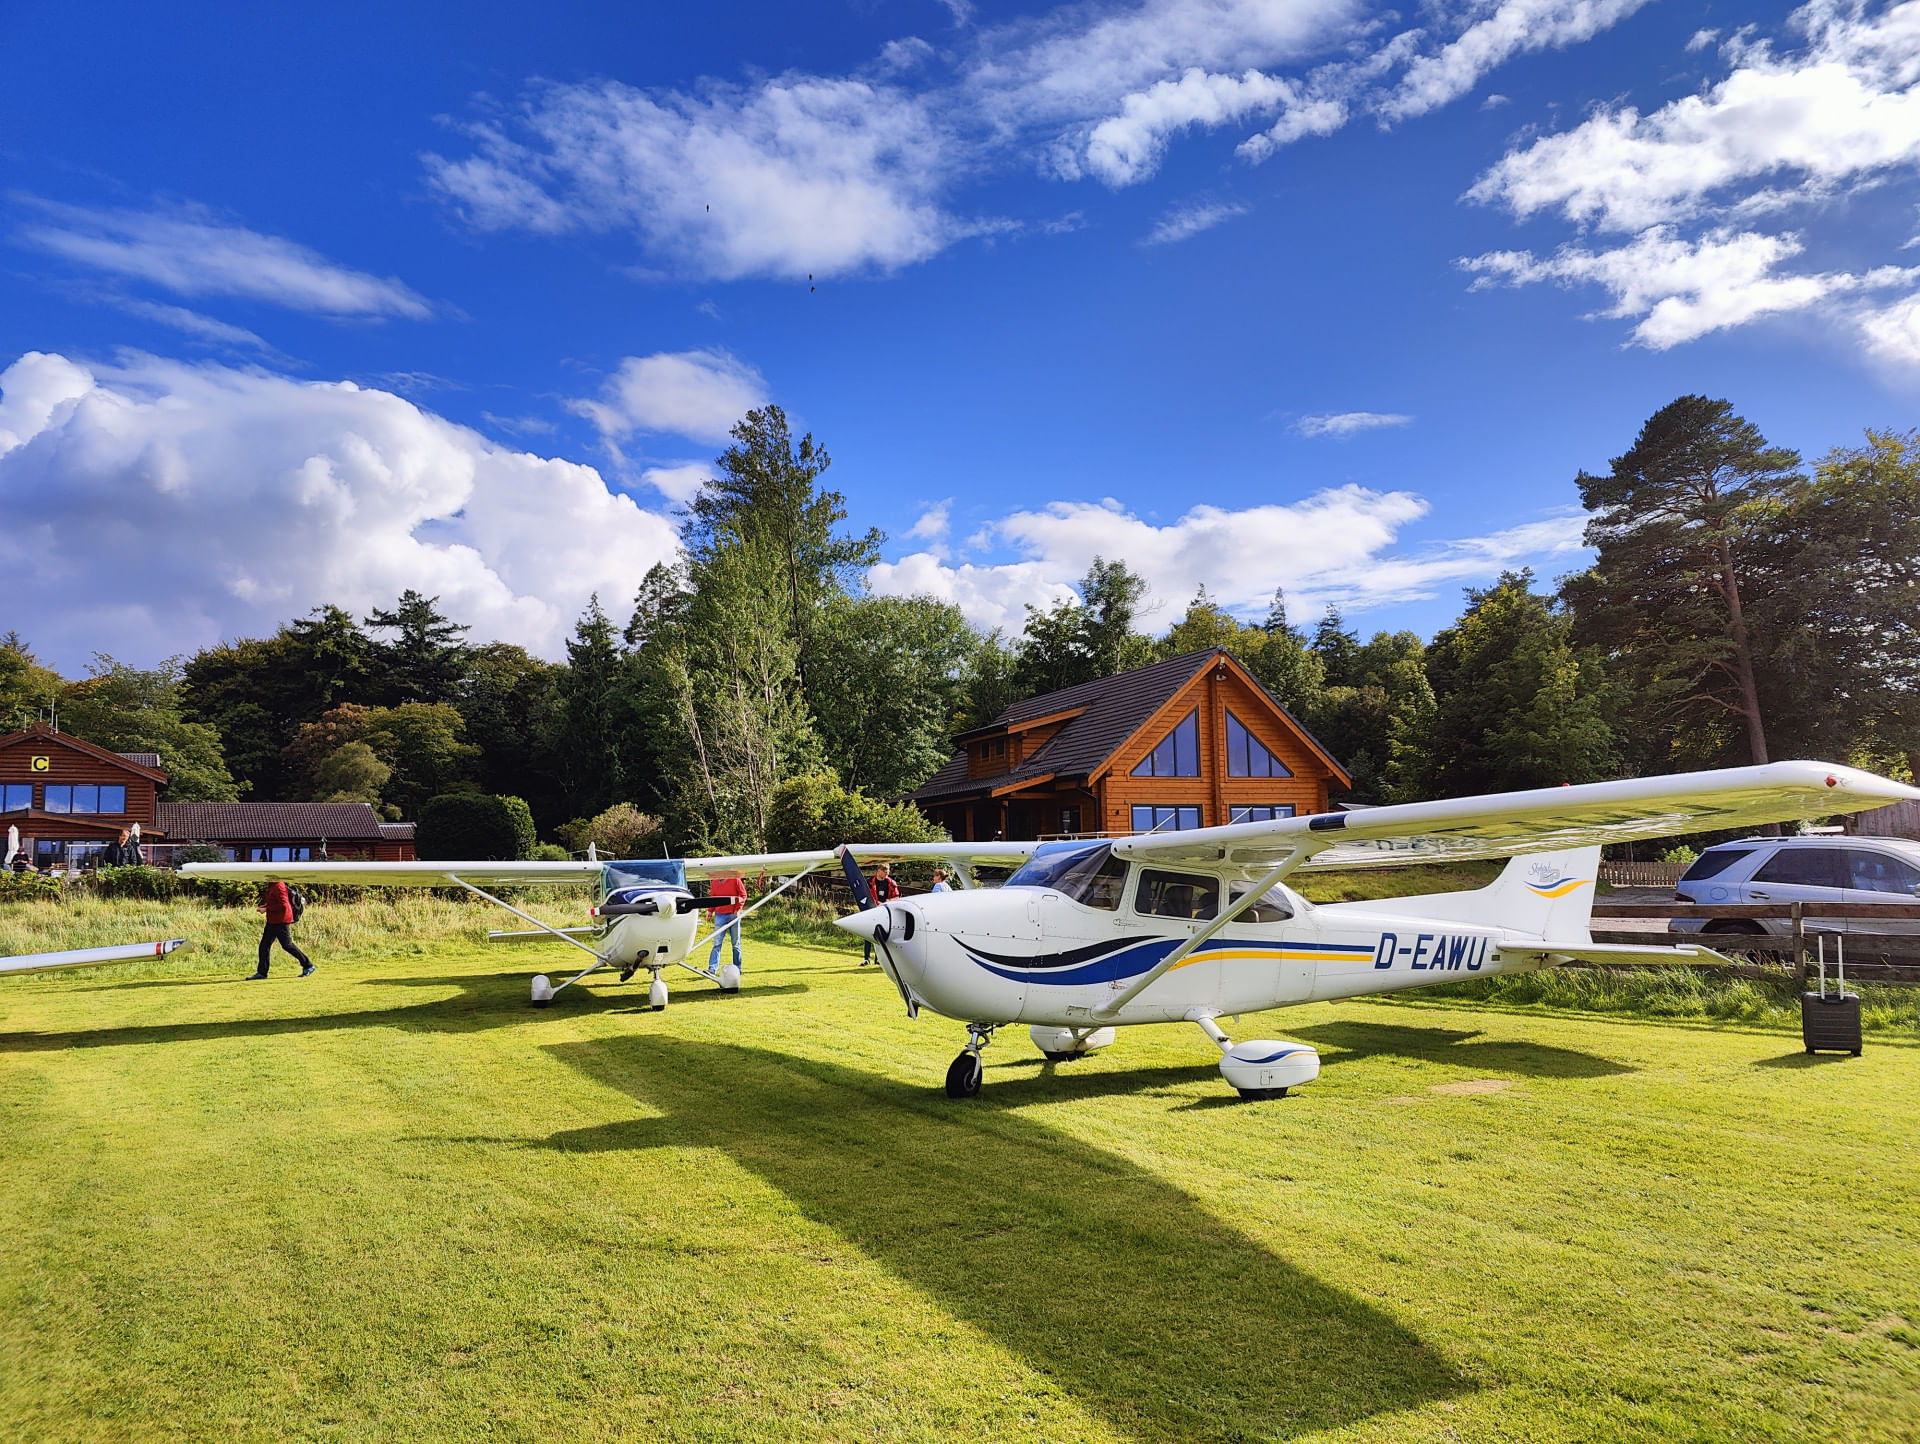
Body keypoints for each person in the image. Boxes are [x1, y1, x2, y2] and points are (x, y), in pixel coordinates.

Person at [249, 877, 314, 979]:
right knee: (264, 946)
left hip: (281, 921)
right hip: (273, 921)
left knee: (287, 945)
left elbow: (284, 905)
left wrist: (266, 909)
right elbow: (275, 902)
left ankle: (308, 965)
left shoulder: (279, 886)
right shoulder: (273, 885)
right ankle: (262, 973)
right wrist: (265, 906)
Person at [706, 872, 747, 989]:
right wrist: (710, 911)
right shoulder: (714, 882)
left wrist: (738, 909)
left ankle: (738, 968)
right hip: (720, 915)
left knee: (735, 943)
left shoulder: (735, 880)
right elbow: (713, 898)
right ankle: (712, 969)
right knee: (717, 943)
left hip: (733, 914)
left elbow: (743, 895)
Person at [863, 862, 901, 964]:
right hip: (871, 910)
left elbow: (896, 897)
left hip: (885, 912)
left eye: (888, 872)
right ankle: (866, 958)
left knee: (881, 935)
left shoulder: (891, 883)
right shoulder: (870, 882)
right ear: (879, 871)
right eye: (885, 872)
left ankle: (877, 959)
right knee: (867, 934)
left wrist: (888, 902)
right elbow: (865, 895)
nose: (886, 874)